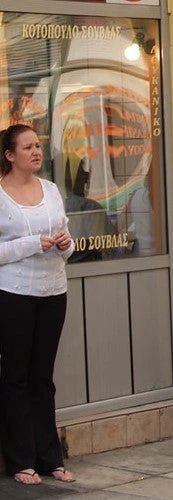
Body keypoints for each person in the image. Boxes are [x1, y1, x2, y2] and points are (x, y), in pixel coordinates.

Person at [0, 124, 75, 484]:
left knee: (43, 378)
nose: (36, 151)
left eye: (38, 145)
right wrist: (32, 244)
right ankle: (20, 461)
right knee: (15, 377)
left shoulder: (51, 190)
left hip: (52, 291)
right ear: (9, 155)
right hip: (13, 294)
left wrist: (64, 243)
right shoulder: (0, 195)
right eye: (27, 146)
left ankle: (51, 458)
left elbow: (68, 239)